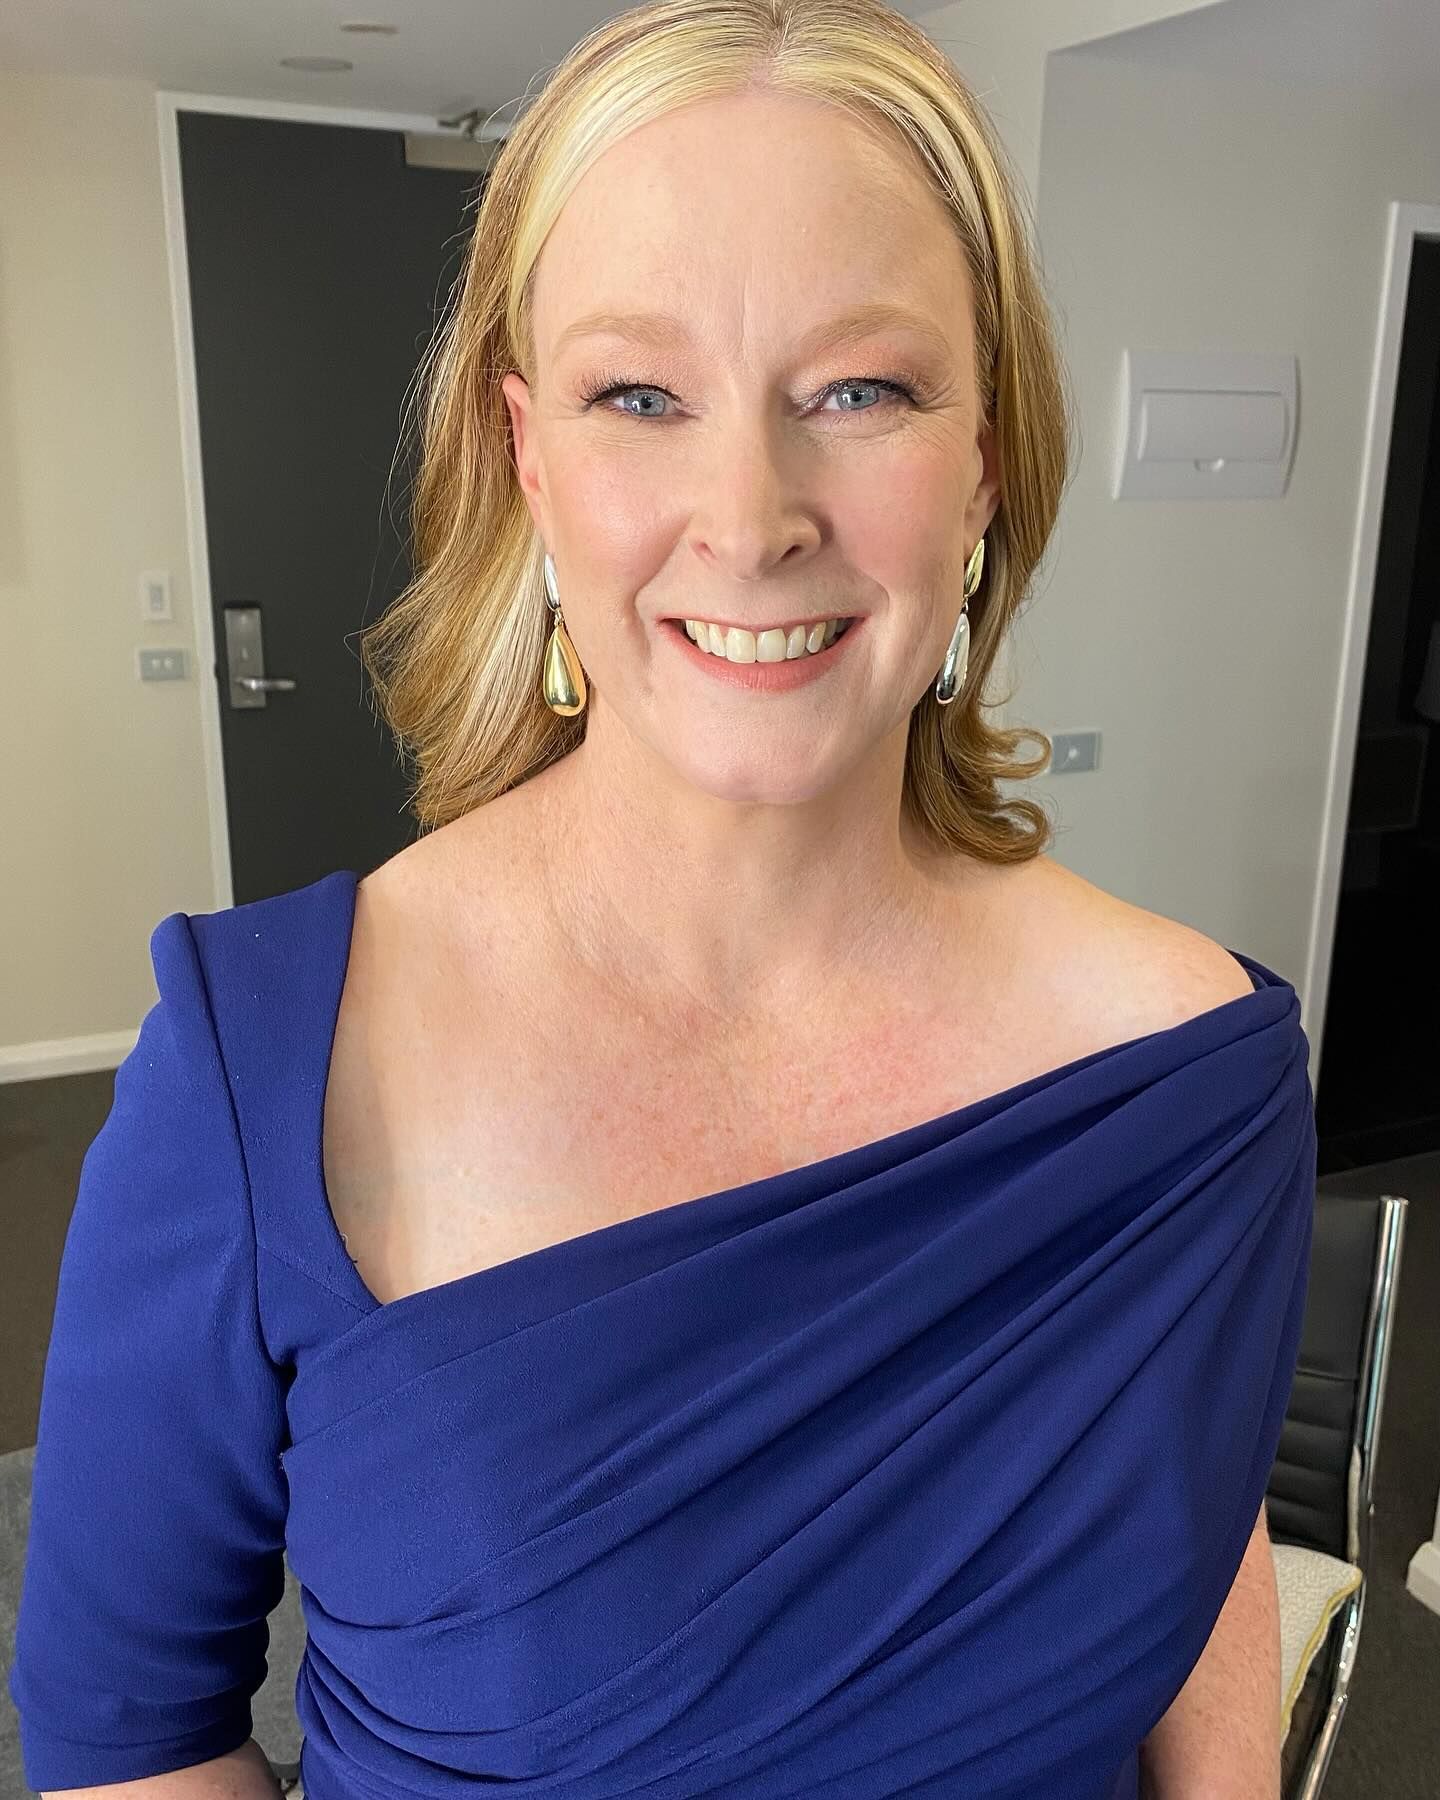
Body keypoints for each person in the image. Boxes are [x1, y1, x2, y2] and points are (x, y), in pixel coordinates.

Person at [8, 2, 1316, 1796]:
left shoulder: (1191, 1072)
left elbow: (1199, 1617)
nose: (750, 514)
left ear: (987, 459)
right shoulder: (261, 1075)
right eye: (640, 395)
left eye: (860, 390)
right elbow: (132, 1735)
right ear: (530, 456)